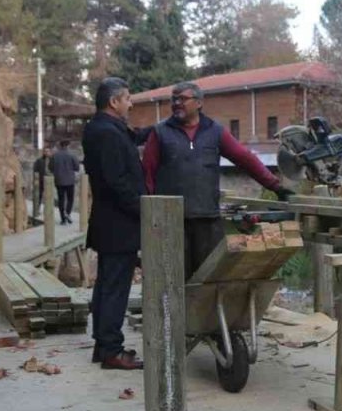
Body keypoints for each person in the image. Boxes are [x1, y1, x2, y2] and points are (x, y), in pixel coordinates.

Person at [142, 81, 293, 279]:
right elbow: (147, 173)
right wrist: (148, 213)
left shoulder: (215, 131)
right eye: (174, 99)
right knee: (172, 279)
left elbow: (245, 159)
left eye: (183, 99)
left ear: (199, 103)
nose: (177, 103)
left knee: (209, 277)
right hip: (171, 221)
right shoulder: (160, 132)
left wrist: (276, 186)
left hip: (207, 219)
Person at [81, 77, 143, 370]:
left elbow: (132, 137)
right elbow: (116, 181)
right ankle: (111, 350)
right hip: (118, 224)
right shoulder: (106, 133)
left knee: (107, 286)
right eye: (127, 98)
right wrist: (144, 209)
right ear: (114, 102)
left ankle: (104, 345)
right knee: (115, 288)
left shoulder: (104, 128)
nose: (131, 103)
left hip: (111, 222)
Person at [49, 140, 81, 224]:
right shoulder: (72, 155)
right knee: (70, 198)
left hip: (59, 181)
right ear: (68, 146)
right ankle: (68, 213)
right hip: (70, 181)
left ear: (60, 146)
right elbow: (77, 168)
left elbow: (50, 167)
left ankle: (63, 219)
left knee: (61, 199)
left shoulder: (55, 155)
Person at [32, 145, 52, 217]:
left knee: (49, 196)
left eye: (48, 151)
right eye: (45, 151)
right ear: (43, 152)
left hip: (50, 181)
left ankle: (48, 211)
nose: (46, 152)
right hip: (41, 180)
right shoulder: (39, 160)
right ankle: (37, 210)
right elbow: (35, 170)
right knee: (39, 196)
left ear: (50, 152)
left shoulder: (53, 160)